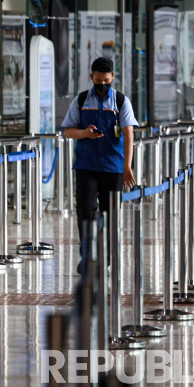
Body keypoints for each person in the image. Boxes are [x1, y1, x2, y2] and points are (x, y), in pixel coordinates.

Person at [61, 57, 138, 275]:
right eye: (97, 80)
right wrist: (85, 133)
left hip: (113, 167)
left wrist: (127, 167)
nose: (102, 84)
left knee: (109, 214)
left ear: (113, 77)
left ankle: (104, 258)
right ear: (91, 77)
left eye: (106, 80)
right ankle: (87, 257)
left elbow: (129, 134)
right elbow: (68, 131)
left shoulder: (121, 102)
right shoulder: (82, 100)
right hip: (86, 165)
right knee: (85, 211)